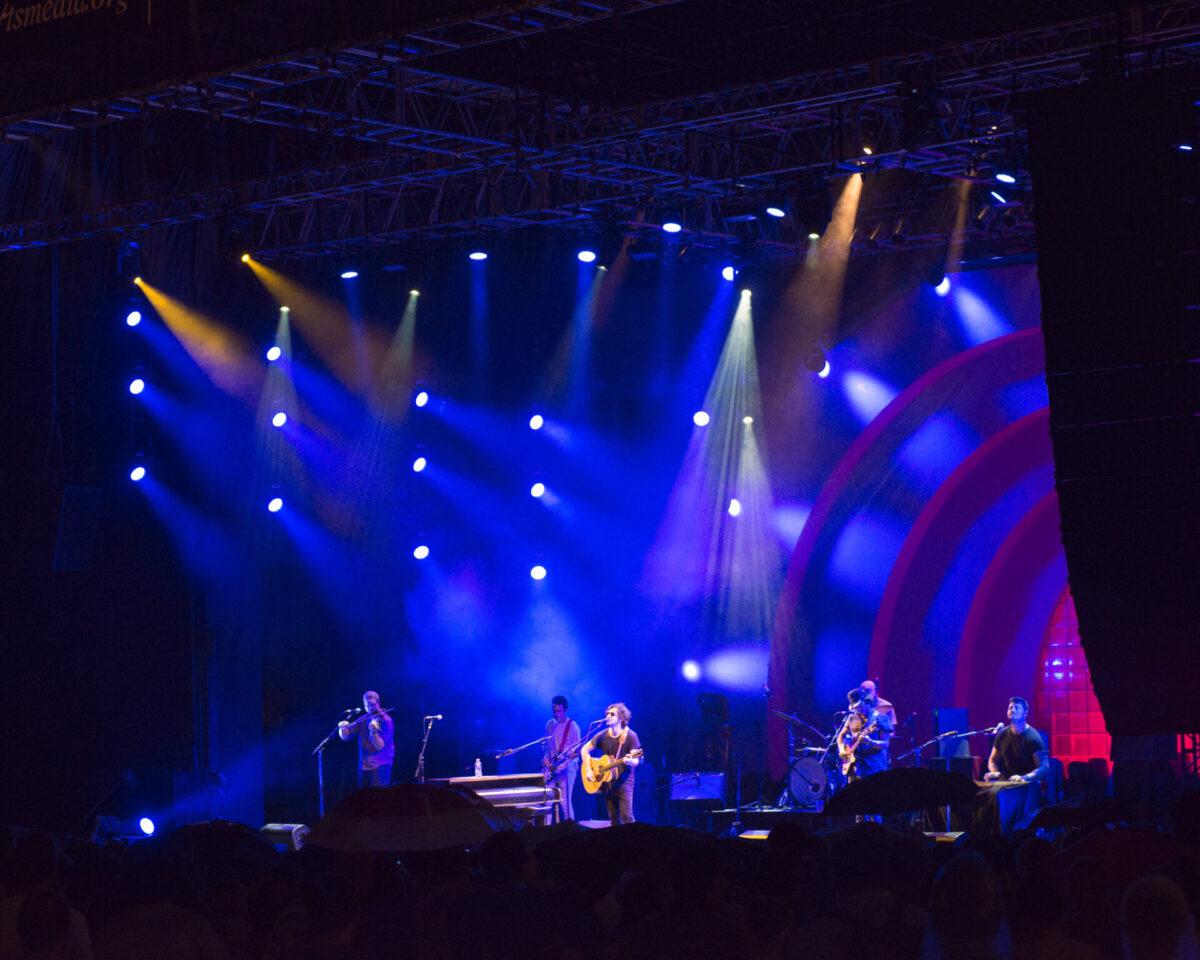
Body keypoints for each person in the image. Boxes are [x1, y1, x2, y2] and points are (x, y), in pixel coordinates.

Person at [581, 702, 641, 825]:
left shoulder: (631, 736)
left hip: (624, 782)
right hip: (608, 782)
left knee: (627, 817)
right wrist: (588, 768)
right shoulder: (603, 735)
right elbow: (584, 749)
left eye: (612, 714)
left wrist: (630, 760)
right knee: (613, 820)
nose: (608, 716)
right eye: (607, 714)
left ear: (621, 718)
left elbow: (636, 760)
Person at [983, 696, 1049, 783]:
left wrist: (1025, 777)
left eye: (1016, 708)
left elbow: (1044, 767)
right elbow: (993, 759)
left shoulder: (1033, 737)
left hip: (1026, 784)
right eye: (1010, 707)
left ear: (1025, 713)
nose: (1012, 710)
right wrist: (995, 772)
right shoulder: (1002, 734)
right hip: (1005, 783)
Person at [338, 689, 395, 787]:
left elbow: (379, 746)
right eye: (366, 705)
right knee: (364, 799)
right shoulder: (364, 718)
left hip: (380, 764)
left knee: (379, 798)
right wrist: (342, 728)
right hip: (364, 766)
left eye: (372, 704)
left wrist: (373, 732)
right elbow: (346, 736)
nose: (369, 707)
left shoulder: (386, 720)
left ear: (378, 702)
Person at [838, 686, 894, 781]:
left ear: (867, 702)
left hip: (874, 767)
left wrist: (870, 742)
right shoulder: (852, 717)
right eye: (855, 708)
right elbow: (841, 735)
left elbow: (885, 744)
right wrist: (841, 749)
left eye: (860, 706)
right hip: (854, 767)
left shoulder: (881, 718)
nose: (858, 710)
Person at [543, 695, 581, 821]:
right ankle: (545, 830)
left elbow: (576, 751)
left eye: (558, 711)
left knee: (564, 801)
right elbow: (548, 747)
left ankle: (570, 830)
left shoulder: (572, 726)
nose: (555, 714)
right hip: (552, 768)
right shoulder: (549, 725)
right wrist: (546, 759)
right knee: (546, 799)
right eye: (553, 710)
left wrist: (562, 764)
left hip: (567, 768)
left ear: (565, 710)